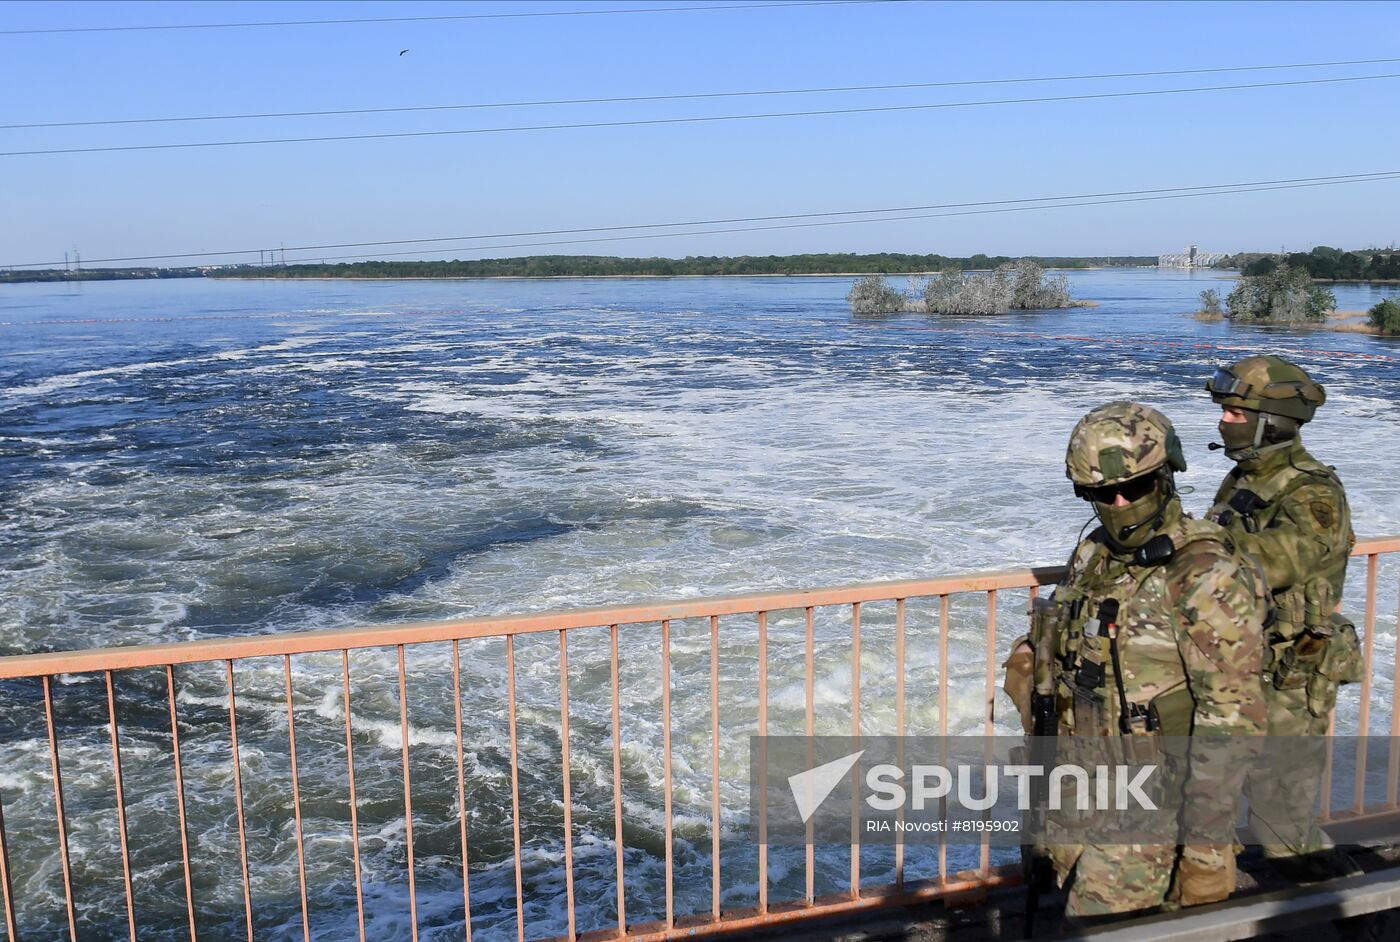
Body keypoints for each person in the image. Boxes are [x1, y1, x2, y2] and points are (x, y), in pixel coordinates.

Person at [1004, 400, 1268, 924]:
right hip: (1082, 786)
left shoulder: (1203, 573)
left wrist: (1207, 852)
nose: (1120, 502)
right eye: (1102, 493)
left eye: (1136, 487)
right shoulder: (1095, 555)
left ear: (1167, 474)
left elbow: (1232, 720)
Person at [1204, 355, 1365, 880]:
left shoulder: (1311, 490)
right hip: (1237, 664)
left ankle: (1359, 914)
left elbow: (1281, 559)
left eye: (1234, 413)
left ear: (1272, 421)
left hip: (1290, 674)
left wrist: (1193, 548)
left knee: (1281, 823)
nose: (1224, 422)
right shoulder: (1243, 478)